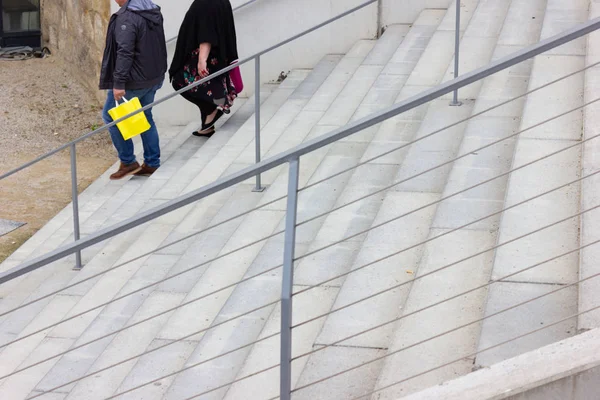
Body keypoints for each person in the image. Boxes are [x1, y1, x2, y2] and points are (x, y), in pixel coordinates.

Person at [99, 0, 167, 180]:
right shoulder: (152, 10)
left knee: (110, 116)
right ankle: (152, 163)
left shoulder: (127, 18)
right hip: (152, 77)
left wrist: (119, 83)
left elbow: (125, 52)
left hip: (133, 81)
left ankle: (128, 162)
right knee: (146, 116)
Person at [169, 0, 239, 138]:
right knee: (208, 91)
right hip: (218, 57)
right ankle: (207, 125)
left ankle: (212, 110)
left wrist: (202, 60)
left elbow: (206, 34)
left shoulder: (206, 2)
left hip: (206, 57)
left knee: (178, 81)